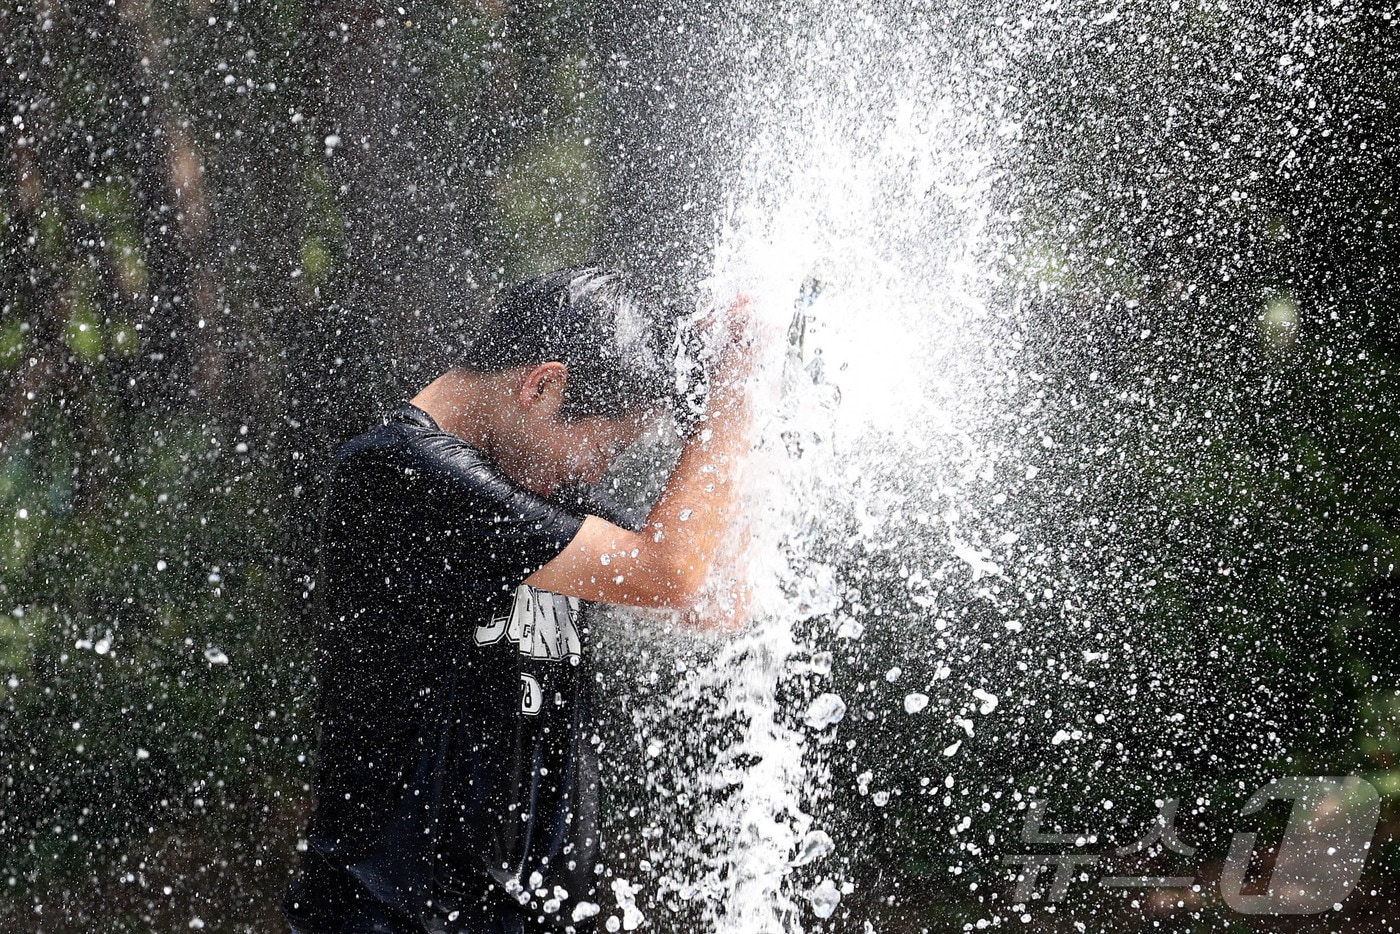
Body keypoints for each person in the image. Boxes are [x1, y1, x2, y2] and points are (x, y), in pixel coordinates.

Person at [283, 267, 761, 934]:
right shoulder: (400, 476)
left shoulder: (533, 487)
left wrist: (718, 401)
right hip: (399, 915)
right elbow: (669, 572)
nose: (598, 471)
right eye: (608, 445)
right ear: (542, 386)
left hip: (543, 913)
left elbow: (713, 595)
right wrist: (734, 402)